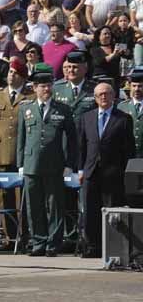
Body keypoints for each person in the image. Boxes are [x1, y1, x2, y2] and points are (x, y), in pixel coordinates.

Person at [17, 64, 78, 257]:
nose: (46, 89)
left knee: (55, 206)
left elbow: (72, 139)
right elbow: (21, 139)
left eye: (49, 85)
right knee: (33, 206)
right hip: (31, 164)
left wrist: (69, 164)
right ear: (34, 88)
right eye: (41, 86)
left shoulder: (63, 109)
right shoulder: (26, 108)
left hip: (54, 164)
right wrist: (20, 163)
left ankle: (53, 243)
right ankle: (38, 242)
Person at [77, 82, 135, 258]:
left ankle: (111, 247)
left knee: (112, 211)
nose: (103, 97)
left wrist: (126, 172)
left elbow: (128, 150)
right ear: (95, 98)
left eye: (107, 94)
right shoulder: (86, 118)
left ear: (113, 96)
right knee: (90, 211)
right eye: (100, 94)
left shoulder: (123, 119)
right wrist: (80, 170)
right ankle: (92, 247)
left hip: (113, 173)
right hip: (91, 171)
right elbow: (81, 146)